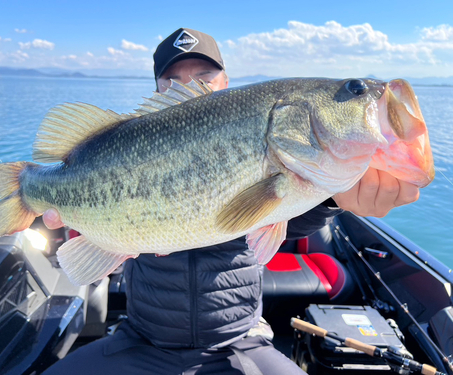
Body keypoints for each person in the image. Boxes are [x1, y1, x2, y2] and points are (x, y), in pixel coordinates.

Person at [42, 28, 420, 375]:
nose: (189, 85)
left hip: (238, 343)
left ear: (225, 82)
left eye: (205, 76)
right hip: (142, 340)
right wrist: (90, 225)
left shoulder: (286, 164)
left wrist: (336, 199)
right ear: (157, 89)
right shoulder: (129, 144)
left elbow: (294, 220)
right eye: (172, 80)